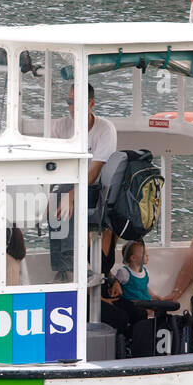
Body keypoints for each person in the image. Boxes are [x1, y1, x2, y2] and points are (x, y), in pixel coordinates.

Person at [47, 83, 117, 281]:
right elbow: (54, 166)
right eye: (69, 102)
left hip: (95, 188)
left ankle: (72, 260)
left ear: (91, 103)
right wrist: (53, 195)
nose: (71, 107)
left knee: (64, 198)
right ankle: (63, 265)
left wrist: (70, 196)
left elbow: (94, 172)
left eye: (76, 102)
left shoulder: (105, 129)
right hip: (67, 182)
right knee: (56, 199)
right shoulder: (60, 126)